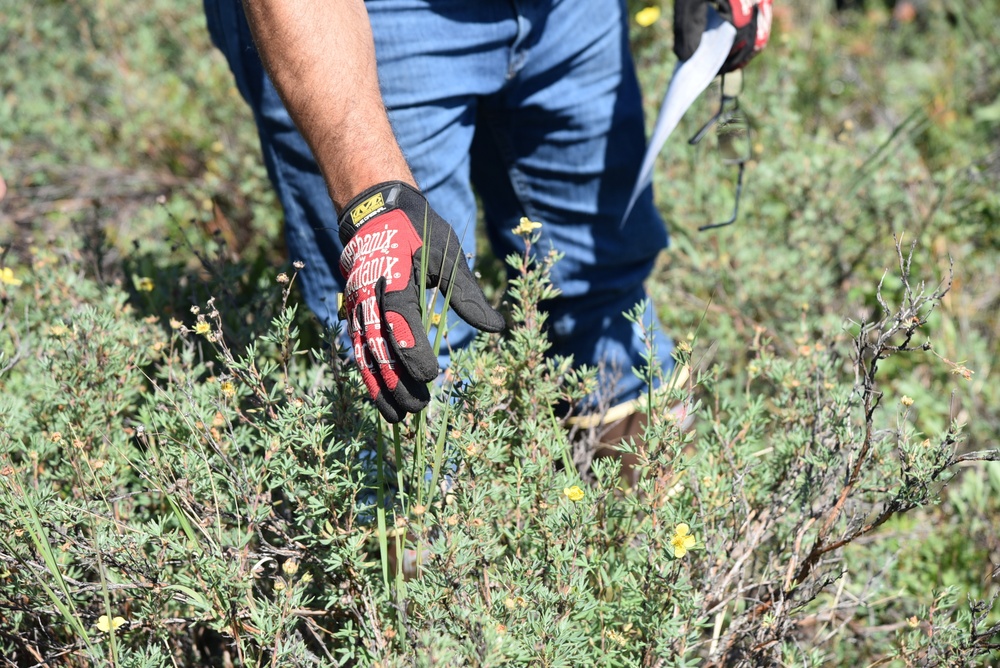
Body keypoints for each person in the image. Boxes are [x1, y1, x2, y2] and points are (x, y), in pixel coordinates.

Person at [202, 0, 770, 431]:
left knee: (607, 296)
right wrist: (371, 198)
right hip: (366, 21)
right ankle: (430, 573)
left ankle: (644, 568)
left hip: (568, 14)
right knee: (411, 352)